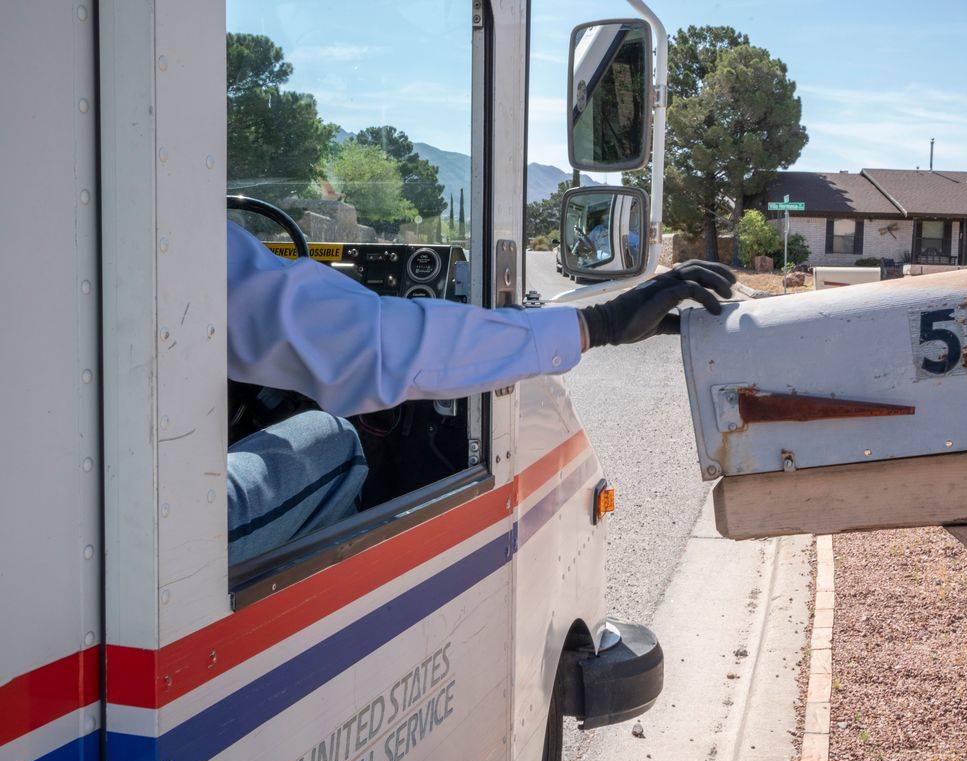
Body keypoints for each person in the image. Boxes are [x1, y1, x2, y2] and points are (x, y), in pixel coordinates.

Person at [225, 222, 734, 562]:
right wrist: (598, 324)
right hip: (171, 541)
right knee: (332, 437)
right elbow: (372, 344)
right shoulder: (188, 240)